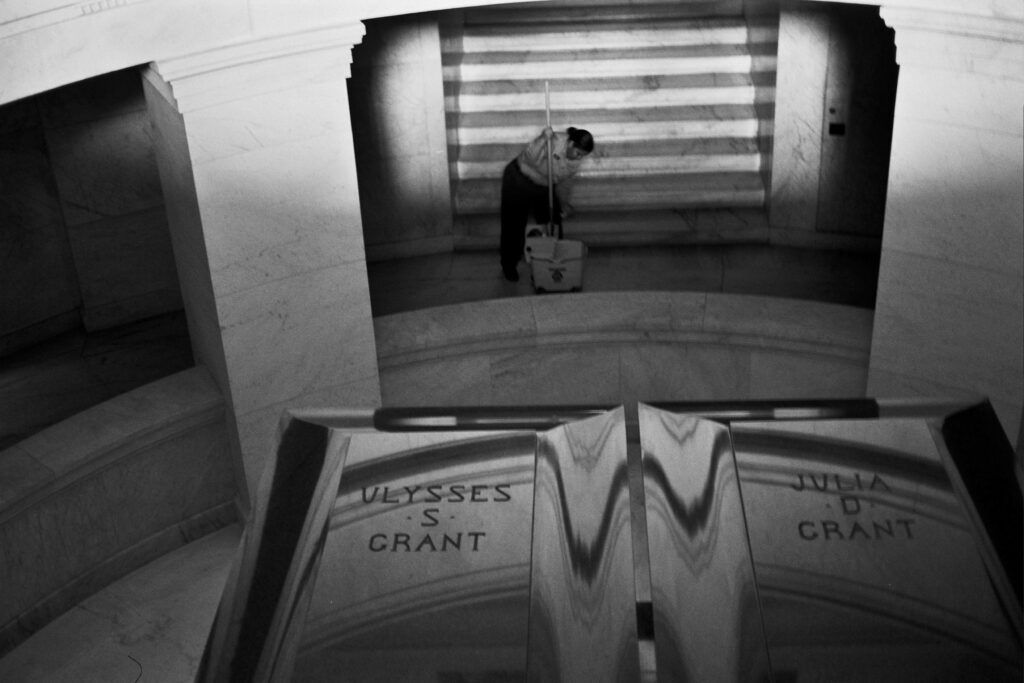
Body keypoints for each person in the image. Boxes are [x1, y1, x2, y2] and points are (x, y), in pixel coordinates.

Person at [500, 125, 594, 282]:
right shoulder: (553, 141)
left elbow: (565, 183)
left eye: (582, 156)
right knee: (514, 224)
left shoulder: (575, 163)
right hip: (518, 179)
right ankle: (509, 264)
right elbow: (530, 157)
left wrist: (564, 203)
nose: (579, 158)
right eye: (578, 153)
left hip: (544, 186)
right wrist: (543, 138)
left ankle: (551, 264)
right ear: (570, 144)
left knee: (553, 222)